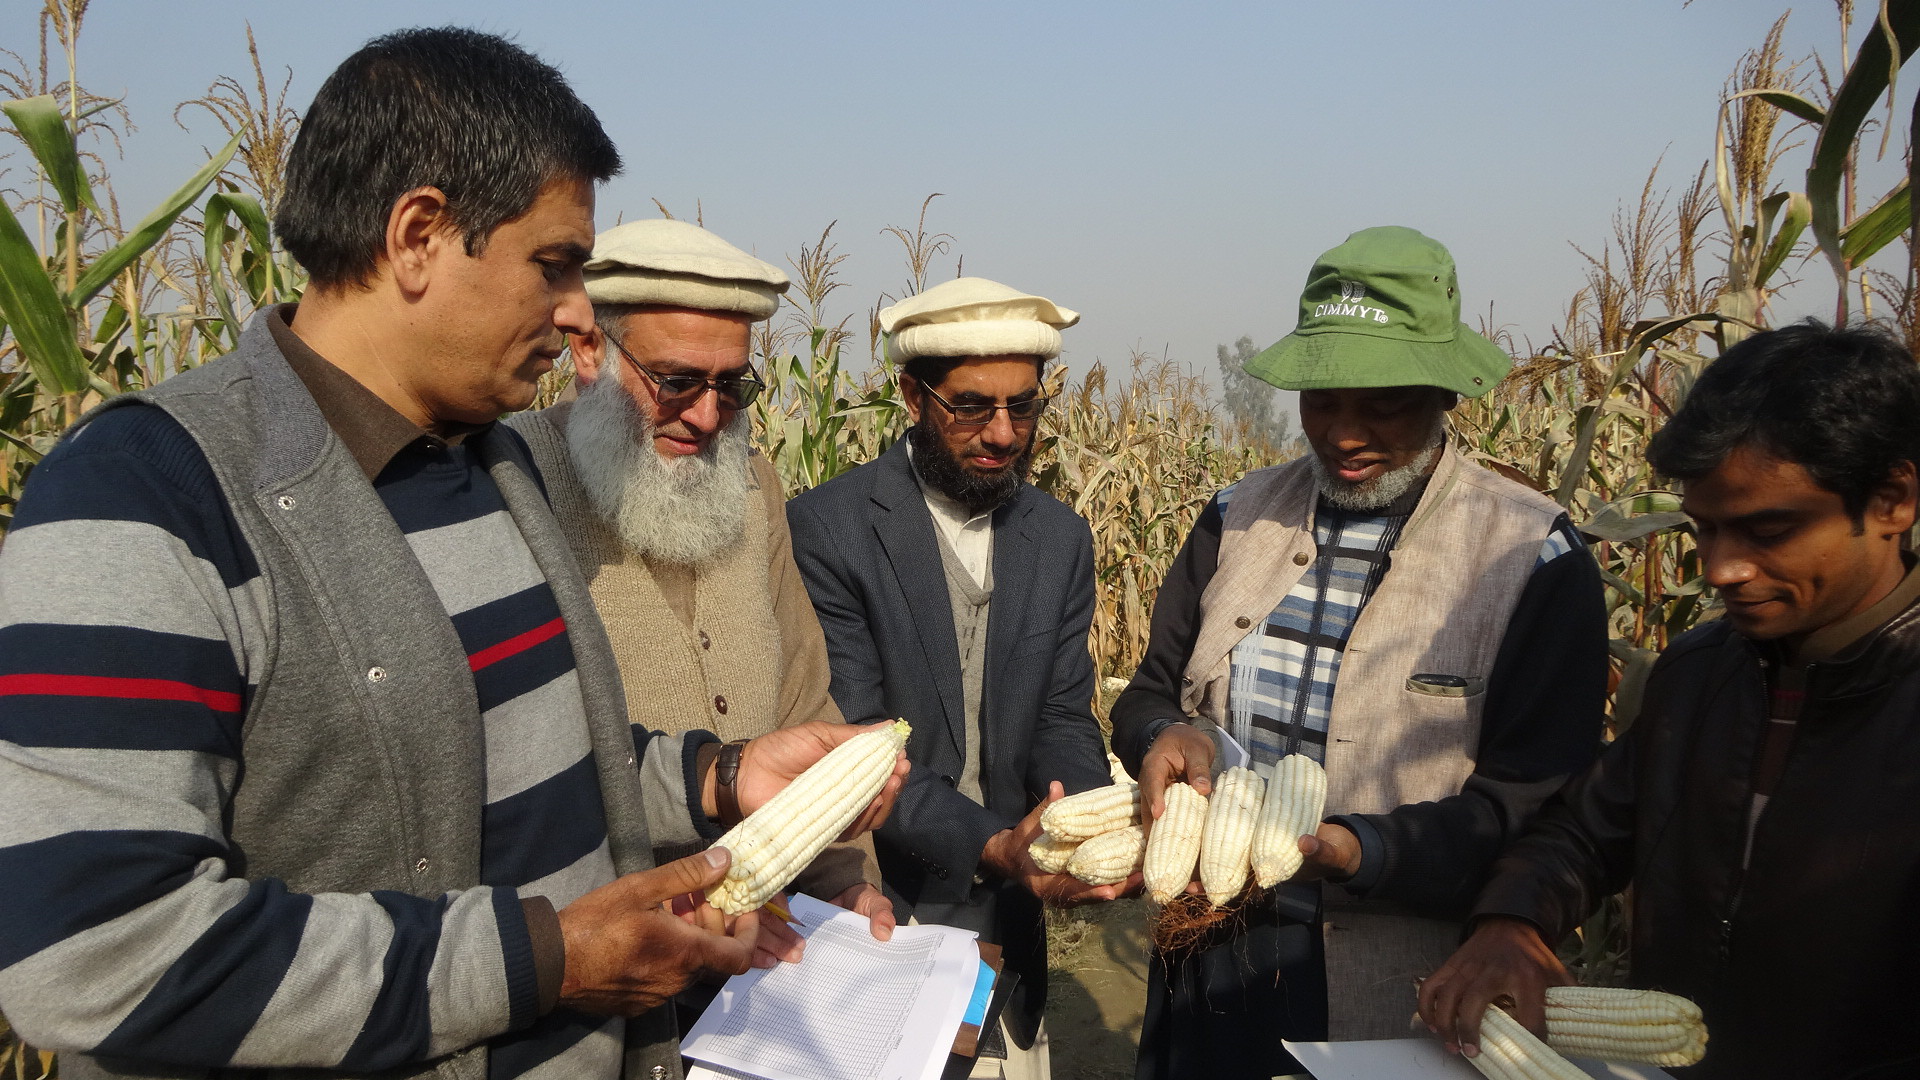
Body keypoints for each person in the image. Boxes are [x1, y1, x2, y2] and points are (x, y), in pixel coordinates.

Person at [0, 28, 902, 1080]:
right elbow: (93, 955)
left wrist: (720, 778)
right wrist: (549, 962)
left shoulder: (489, 466)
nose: (576, 315)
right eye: (556, 266)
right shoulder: (142, 499)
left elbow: (530, 758)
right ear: (419, 234)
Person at [1111, 226, 1608, 1080]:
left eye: (1382, 405)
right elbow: (1151, 691)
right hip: (1211, 948)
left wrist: (1361, 849)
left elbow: (1537, 807)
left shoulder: (1532, 558)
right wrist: (1163, 733)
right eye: (1322, 401)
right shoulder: (1237, 515)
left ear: (1444, 391)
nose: (1343, 435)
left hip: (1397, 981)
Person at [1418, 321, 1920, 1080]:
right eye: (1705, 531)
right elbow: (1584, 833)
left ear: (1892, 500)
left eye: (1767, 530)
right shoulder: (1699, 676)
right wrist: (1512, 919)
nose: (1720, 570)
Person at [787, 277, 1126, 1080]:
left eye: (1025, 406)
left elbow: (1063, 716)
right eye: (972, 406)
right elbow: (860, 748)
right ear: (912, 394)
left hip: (1013, 926)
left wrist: (1082, 822)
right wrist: (996, 845)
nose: (1003, 434)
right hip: (881, 917)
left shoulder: (1059, 538)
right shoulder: (830, 529)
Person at [506, 218, 887, 925]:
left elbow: (803, 696)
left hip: (769, 937)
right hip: (601, 950)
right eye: (677, 382)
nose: (708, 416)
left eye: (731, 386)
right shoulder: (512, 484)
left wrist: (845, 882)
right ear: (590, 348)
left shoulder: (754, 486)